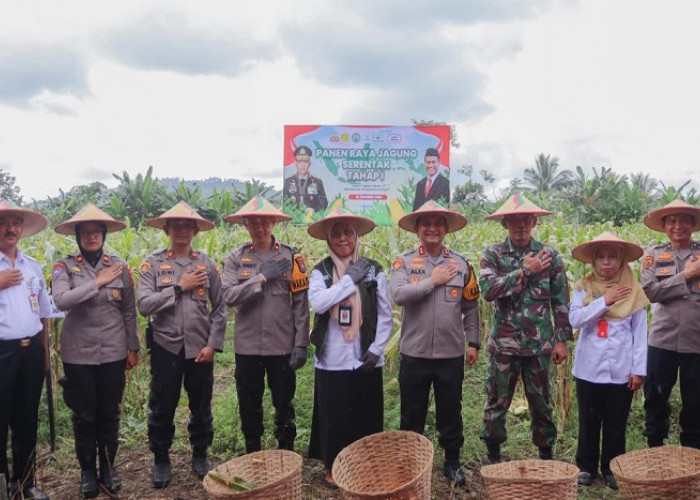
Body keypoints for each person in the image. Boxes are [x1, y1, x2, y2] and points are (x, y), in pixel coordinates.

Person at [52, 204, 140, 498]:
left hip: (114, 352)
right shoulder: (64, 267)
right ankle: (88, 471)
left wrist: (133, 347)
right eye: (86, 232)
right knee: (85, 414)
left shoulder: (119, 265)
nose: (91, 236)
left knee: (109, 414)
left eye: (96, 231)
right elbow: (62, 300)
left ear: (103, 235)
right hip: (79, 355)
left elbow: (129, 311)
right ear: (77, 236)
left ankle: (109, 468)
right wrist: (97, 282)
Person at [389, 200, 480, 487]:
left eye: (437, 223)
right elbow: (399, 295)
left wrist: (474, 342)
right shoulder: (402, 262)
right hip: (414, 353)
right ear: (417, 229)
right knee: (411, 413)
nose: (432, 228)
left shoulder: (462, 264)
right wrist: (433, 280)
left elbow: (470, 307)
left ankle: (451, 462)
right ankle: (411, 464)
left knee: (450, 411)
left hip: (450, 354)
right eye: (425, 223)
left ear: (445, 229)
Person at [137, 202, 227, 488]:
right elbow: (143, 305)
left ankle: (200, 454)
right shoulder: (152, 264)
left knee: (201, 405)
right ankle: (161, 459)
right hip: (166, 347)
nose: (182, 230)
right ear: (167, 229)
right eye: (176, 225)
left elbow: (220, 308)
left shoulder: (208, 264)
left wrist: (213, 344)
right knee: (162, 405)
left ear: (195, 230)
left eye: (188, 225)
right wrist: (178, 287)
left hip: (200, 348)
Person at [479, 194, 572, 464]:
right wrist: (524, 272)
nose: (521, 225)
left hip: (539, 345)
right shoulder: (493, 254)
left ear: (534, 222)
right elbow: (487, 290)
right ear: (505, 223)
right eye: (515, 220)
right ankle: (493, 454)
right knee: (496, 402)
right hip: (503, 346)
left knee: (542, 403)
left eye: (526, 219)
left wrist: (562, 340)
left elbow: (560, 300)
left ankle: (545, 455)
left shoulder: (550, 255)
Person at [306, 207, 392, 488]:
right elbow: (319, 303)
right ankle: (333, 467)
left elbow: (385, 314)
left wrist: (378, 349)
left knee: (366, 415)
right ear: (328, 239)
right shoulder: (320, 271)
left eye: (348, 232)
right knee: (334, 418)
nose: (343, 238)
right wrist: (348, 280)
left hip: (365, 356)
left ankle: (364, 467)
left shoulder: (373, 269)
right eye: (336, 233)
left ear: (356, 236)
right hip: (332, 357)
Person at [221, 197, 309, 454]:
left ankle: (286, 451)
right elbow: (227, 296)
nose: (259, 226)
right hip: (247, 345)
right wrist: (260, 278)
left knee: (284, 402)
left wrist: (301, 342)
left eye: (265, 221)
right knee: (249, 402)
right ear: (246, 224)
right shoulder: (236, 258)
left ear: (273, 222)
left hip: (281, 344)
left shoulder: (291, 256)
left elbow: (300, 303)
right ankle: (253, 452)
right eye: (253, 221)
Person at [569, 232, 648, 490]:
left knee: (616, 422)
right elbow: (576, 320)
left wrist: (638, 370)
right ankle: (586, 468)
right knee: (589, 422)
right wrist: (605, 300)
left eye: (612, 256)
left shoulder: (633, 290)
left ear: (621, 259)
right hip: (588, 369)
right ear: (593, 261)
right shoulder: (583, 287)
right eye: (600, 257)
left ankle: (612, 468)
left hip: (621, 370)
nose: (606, 262)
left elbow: (640, 333)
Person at [0, 201, 51, 500]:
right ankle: (2, 486)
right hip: (1, 353)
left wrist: (43, 353)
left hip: (30, 350)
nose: (11, 228)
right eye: (5, 222)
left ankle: (25, 482)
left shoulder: (32, 266)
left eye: (16, 223)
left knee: (26, 419)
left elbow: (42, 314)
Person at [641, 199, 700, 449]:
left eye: (684, 219)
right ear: (664, 225)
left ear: (693, 224)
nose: (678, 225)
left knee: (696, 403)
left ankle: (693, 456)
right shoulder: (653, 256)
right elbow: (650, 292)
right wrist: (685, 276)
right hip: (662, 340)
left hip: (696, 341)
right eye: (672, 220)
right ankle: (655, 450)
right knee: (655, 398)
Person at [283, 145, 328, 212]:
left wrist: (314, 210)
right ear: (296, 164)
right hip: (292, 220)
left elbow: (324, 202)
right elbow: (284, 202)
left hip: (312, 219)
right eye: (299, 162)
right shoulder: (288, 181)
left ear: (309, 163)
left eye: (305, 162)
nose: (302, 165)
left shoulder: (317, 181)